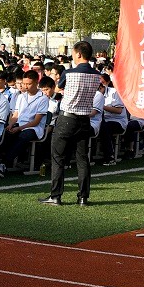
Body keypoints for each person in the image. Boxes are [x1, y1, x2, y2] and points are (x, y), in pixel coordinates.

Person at [41, 40, 100, 207]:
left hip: (67, 118)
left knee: (58, 157)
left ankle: (56, 195)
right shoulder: (96, 75)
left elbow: (59, 88)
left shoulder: (69, 72)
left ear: (79, 54)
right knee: (82, 159)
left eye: (74, 53)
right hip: (84, 120)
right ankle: (83, 197)